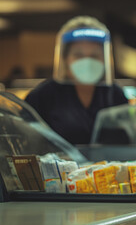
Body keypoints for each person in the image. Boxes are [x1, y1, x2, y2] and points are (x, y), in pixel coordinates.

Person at [25, 16, 128, 145]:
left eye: (95, 55)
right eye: (78, 55)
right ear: (65, 58)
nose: (87, 61)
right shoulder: (42, 96)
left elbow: (130, 141)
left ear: (105, 59)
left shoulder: (115, 95)